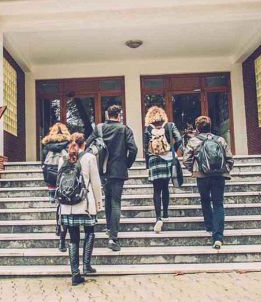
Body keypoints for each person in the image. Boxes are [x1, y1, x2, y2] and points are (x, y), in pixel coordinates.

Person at [86, 105, 138, 251]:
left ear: (107, 114)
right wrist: (127, 164)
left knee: (108, 200)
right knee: (115, 202)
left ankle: (109, 228)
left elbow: (87, 146)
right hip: (118, 171)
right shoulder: (124, 129)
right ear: (119, 115)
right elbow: (133, 149)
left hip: (101, 171)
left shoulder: (99, 128)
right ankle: (113, 238)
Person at [183, 116, 234, 249]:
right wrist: (224, 169)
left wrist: (195, 170)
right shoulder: (220, 139)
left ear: (198, 128)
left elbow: (186, 160)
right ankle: (218, 237)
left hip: (202, 176)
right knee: (218, 204)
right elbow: (230, 158)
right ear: (210, 126)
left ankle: (209, 226)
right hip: (219, 176)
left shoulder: (193, 141)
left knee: (205, 200)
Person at [59, 133, 103, 286]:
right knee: (90, 231)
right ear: (84, 144)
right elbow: (96, 183)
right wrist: (99, 203)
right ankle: (86, 266)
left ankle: (75, 274)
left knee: (73, 238)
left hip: (67, 205)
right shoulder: (89, 157)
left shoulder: (63, 158)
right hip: (85, 203)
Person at [143, 106, 183, 233]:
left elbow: (145, 147)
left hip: (154, 160)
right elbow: (180, 139)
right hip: (167, 159)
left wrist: (147, 165)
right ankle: (165, 213)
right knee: (165, 187)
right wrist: (172, 150)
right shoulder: (170, 126)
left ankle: (158, 217)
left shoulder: (148, 128)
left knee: (156, 190)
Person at [40, 122, 70, 252]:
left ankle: (58, 225)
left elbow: (42, 162)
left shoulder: (47, 144)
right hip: (64, 177)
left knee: (57, 204)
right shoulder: (68, 143)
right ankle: (62, 229)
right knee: (64, 205)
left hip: (51, 178)